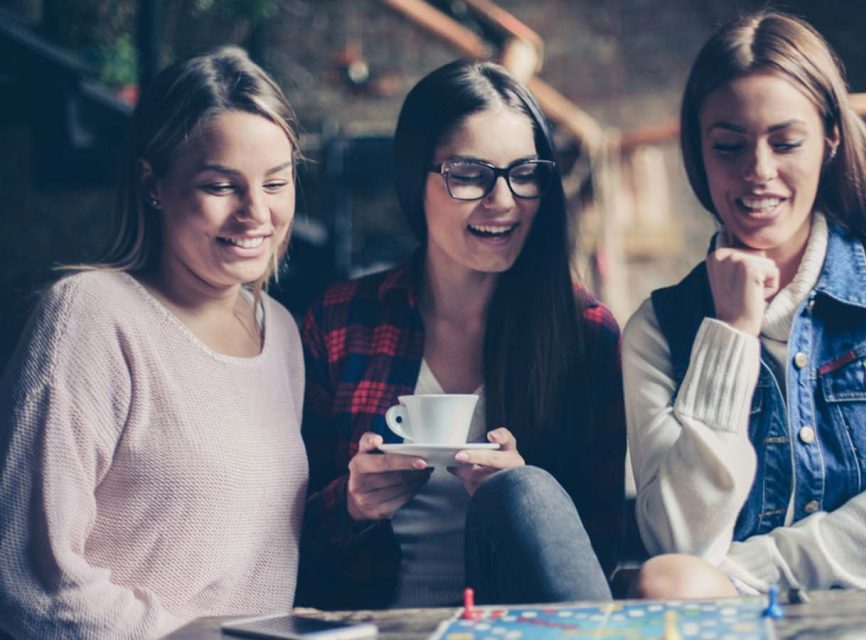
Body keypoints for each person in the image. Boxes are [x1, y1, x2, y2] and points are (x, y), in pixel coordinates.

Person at [623, 12, 866, 599]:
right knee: (665, 579)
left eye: (786, 141)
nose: (759, 172)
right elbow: (680, 542)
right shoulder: (657, 329)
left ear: (830, 139)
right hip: (753, 626)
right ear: (698, 152)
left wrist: (739, 576)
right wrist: (731, 335)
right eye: (728, 145)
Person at [0, 47, 308, 638]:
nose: (257, 213)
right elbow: (26, 578)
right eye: (221, 186)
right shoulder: (88, 315)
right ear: (154, 184)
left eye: (276, 182)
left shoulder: (282, 333)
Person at [297, 59, 626, 609]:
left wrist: (527, 514)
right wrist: (351, 504)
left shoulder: (584, 335)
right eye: (469, 174)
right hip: (371, 622)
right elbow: (280, 539)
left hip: (517, 626)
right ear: (413, 179)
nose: (502, 201)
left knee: (524, 492)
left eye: (524, 173)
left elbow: (603, 550)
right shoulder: (341, 321)